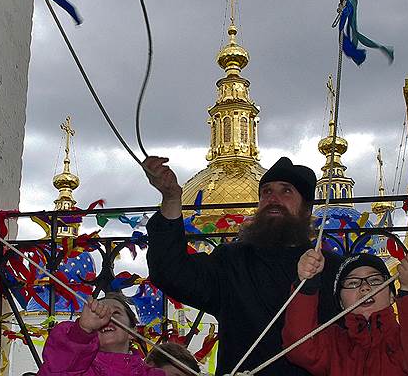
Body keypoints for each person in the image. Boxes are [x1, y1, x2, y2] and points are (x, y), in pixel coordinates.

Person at [144, 155, 342, 376]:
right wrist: (171, 198)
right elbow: (170, 271)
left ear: (306, 209)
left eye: (286, 191)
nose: (273, 198)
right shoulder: (232, 261)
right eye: (266, 192)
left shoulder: (332, 268)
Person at [282, 249, 408, 375]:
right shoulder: (333, 343)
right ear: (341, 303)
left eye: (375, 280)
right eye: (352, 283)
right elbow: (299, 349)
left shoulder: (404, 341)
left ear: (391, 297)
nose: (365, 287)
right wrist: (307, 284)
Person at [37, 292, 165, 376]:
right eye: (98, 313)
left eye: (115, 313)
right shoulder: (79, 368)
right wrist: (82, 332)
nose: (106, 318)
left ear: (132, 331)